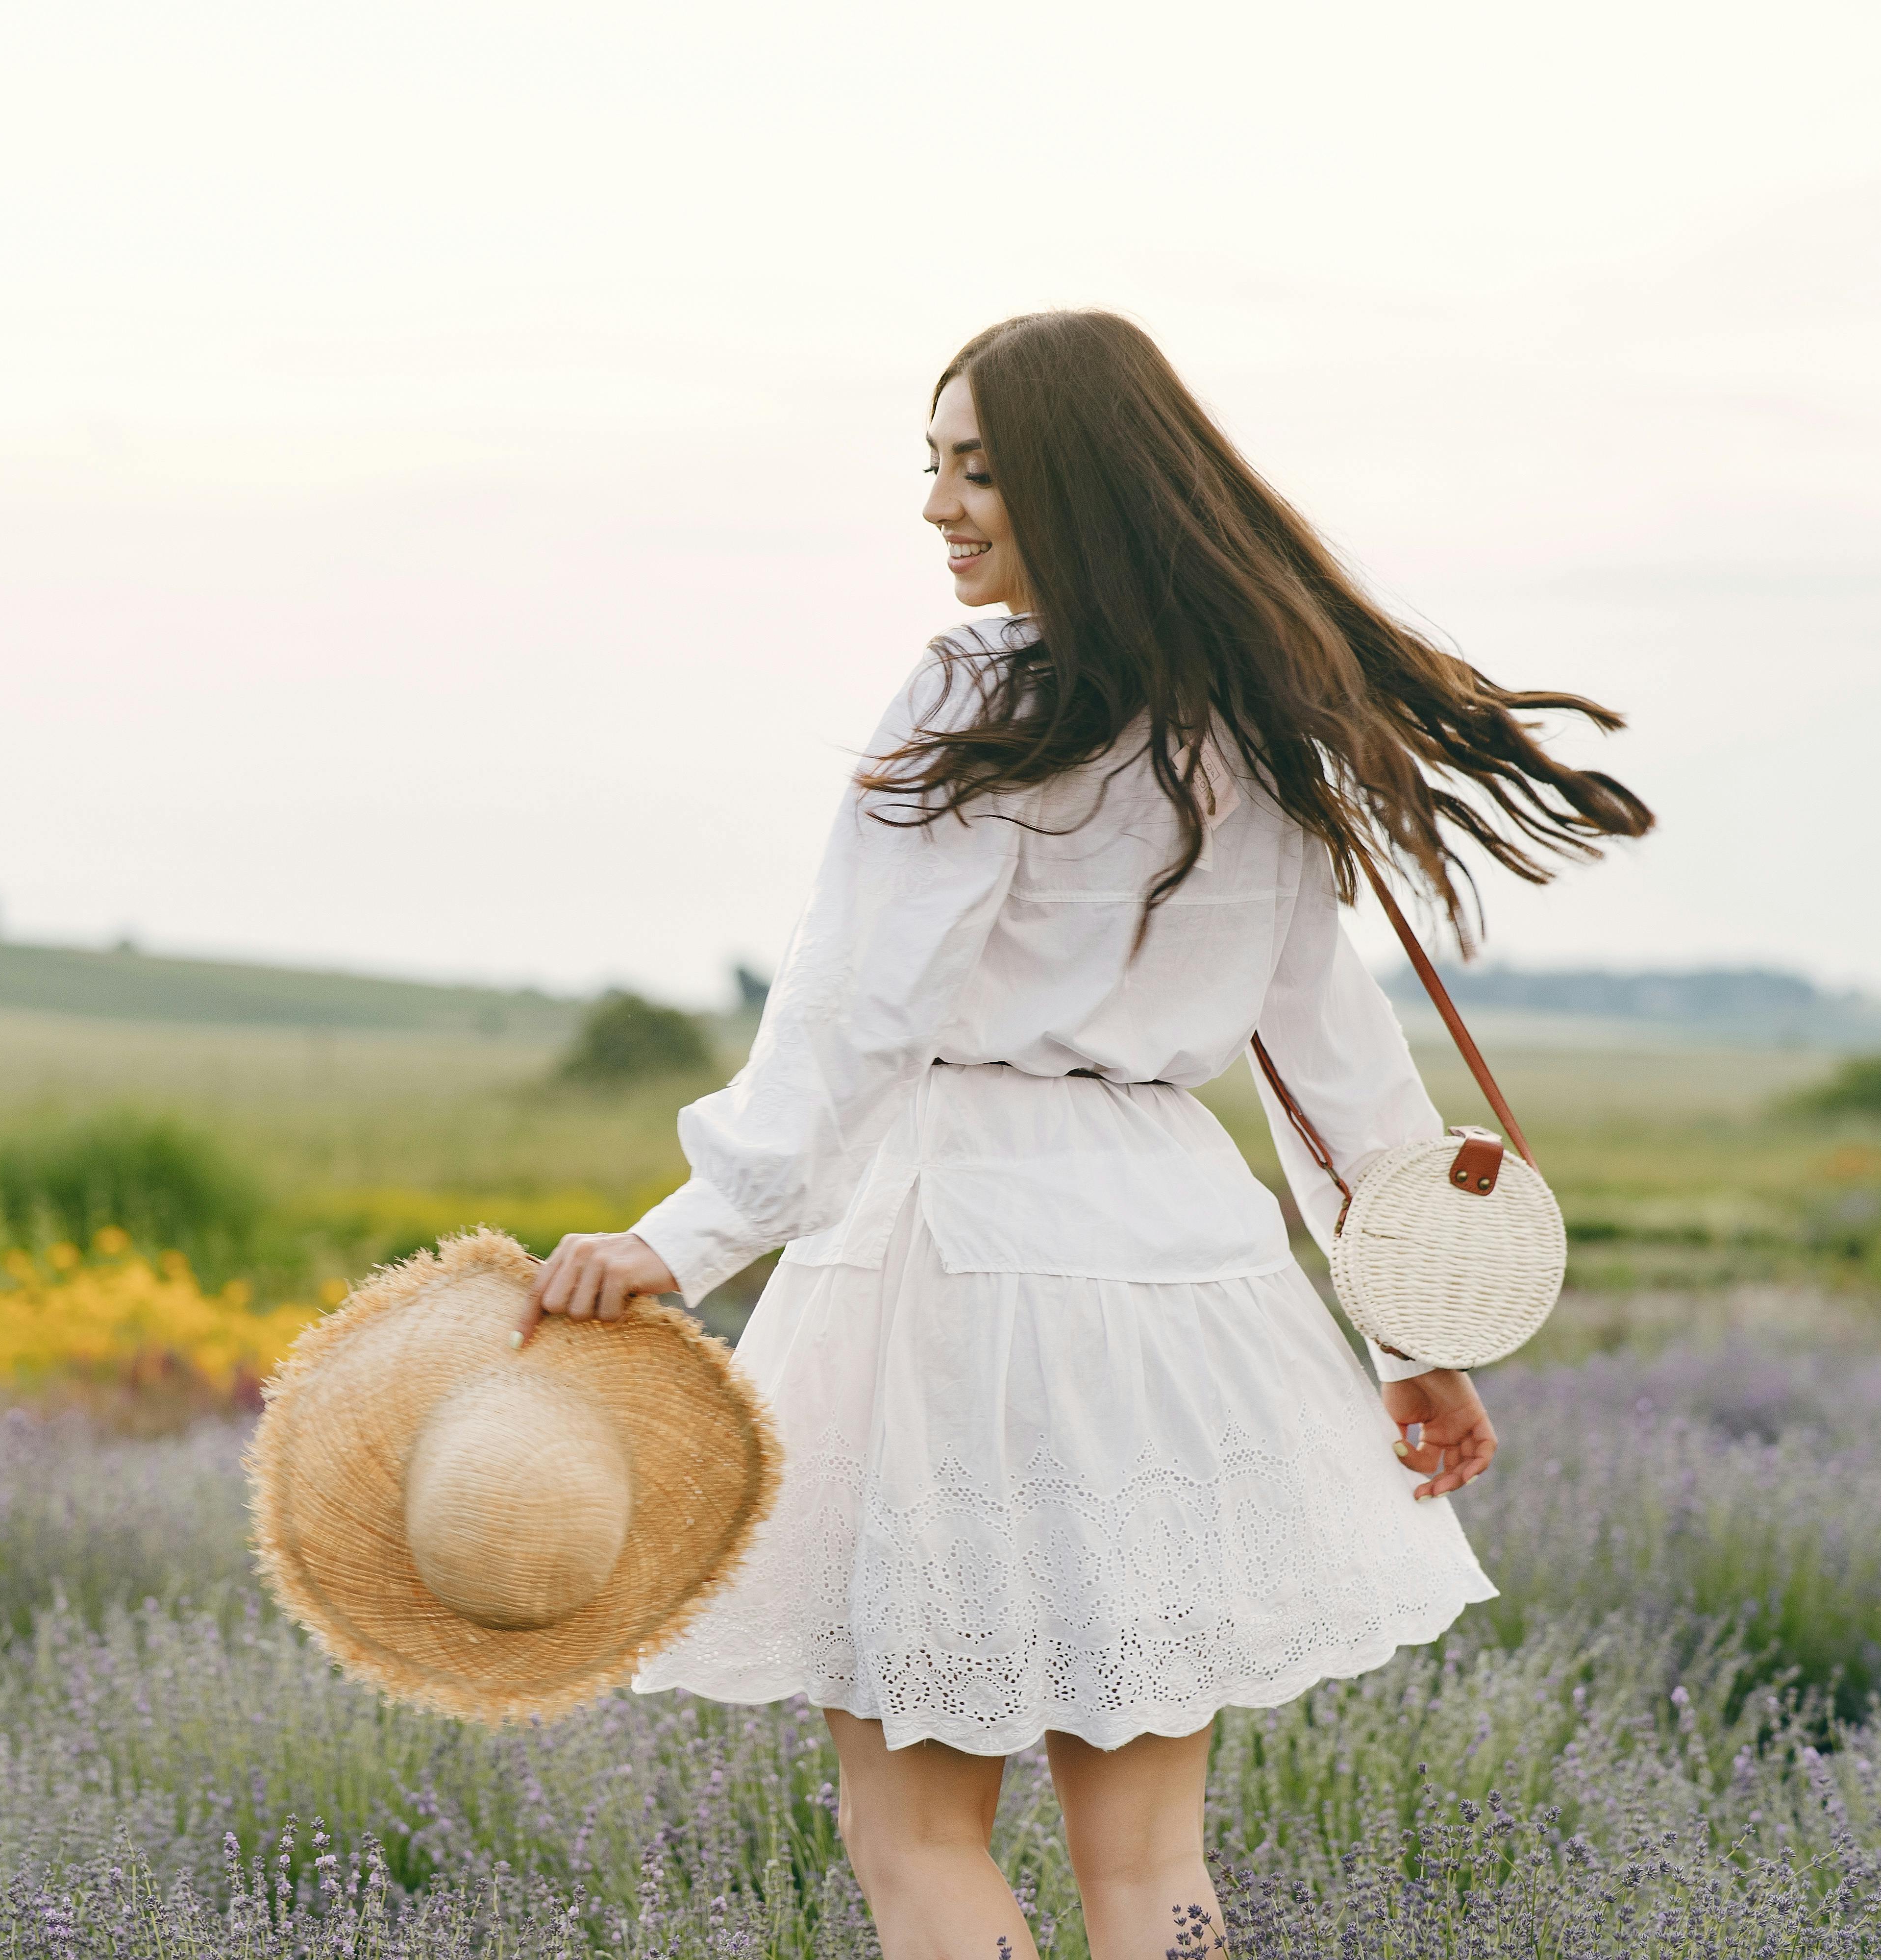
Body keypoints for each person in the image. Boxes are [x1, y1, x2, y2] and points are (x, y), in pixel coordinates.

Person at [522, 310, 1653, 1960]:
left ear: (1082, 481)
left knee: (915, 1836)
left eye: (980, 469)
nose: (940, 506)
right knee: (1150, 1863)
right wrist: (1411, 1331)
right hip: (1179, 1266)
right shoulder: (1260, 722)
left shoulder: (983, 687)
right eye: (933, 466)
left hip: (956, 1258)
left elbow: (856, 1007)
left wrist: (689, 1237)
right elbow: (1327, 1060)